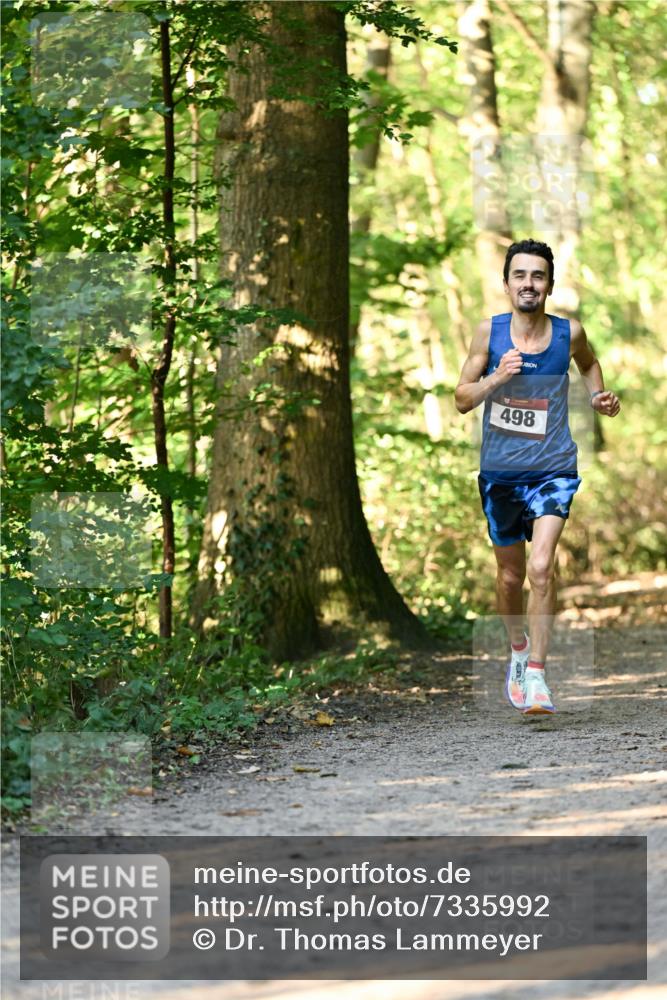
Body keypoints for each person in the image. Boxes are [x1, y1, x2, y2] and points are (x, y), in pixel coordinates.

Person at [454, 239, 620, 715]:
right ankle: (518, 650)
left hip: (553, 468)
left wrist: (598, 396)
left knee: (542, 567)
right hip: (501, 474)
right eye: (520, 275)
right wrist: (496, 379)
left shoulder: (570, 333)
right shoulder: (489, 333)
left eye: (538, 276)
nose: (529, 283)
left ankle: (540, 678)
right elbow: (463, 398)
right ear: (506, 283)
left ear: (550, 284)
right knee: (509, 577)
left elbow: (589, 366)